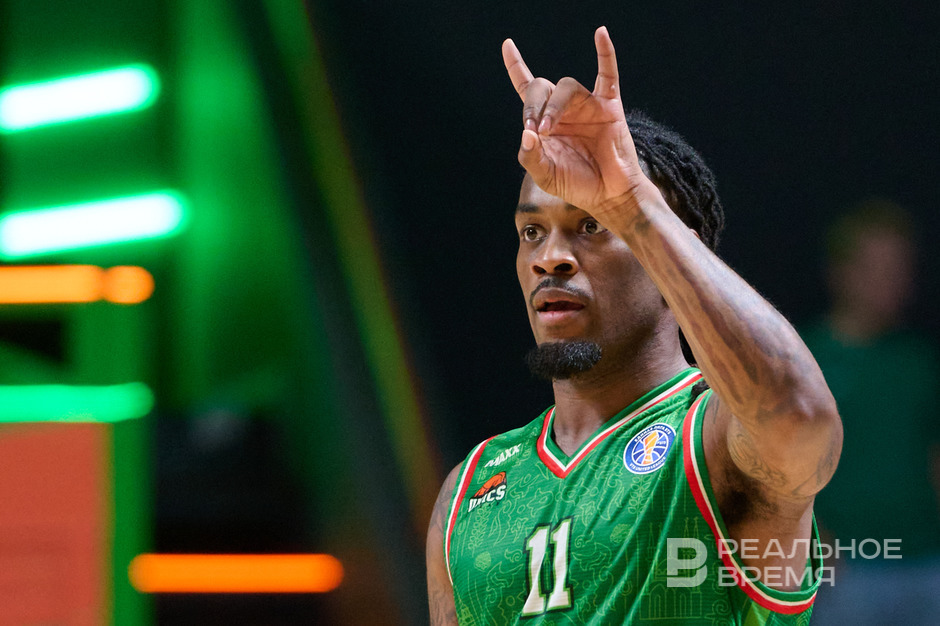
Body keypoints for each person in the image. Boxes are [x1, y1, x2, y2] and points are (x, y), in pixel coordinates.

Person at [426, 27, 843, 624]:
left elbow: (803, 417)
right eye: (532, 232)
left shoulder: (713, 439)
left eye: (592, 225)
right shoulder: (468, 488)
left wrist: (630, 202)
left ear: (675, 254)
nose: (550, 258)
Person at [801, 200, 940, 625]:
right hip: (848, 568)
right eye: (875, 267)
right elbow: (766, 465)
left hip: (928, 561)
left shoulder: (918, 360)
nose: (889, 282)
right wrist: (811, 540)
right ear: (839, 271)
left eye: (899, 268)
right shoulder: (801, 358)